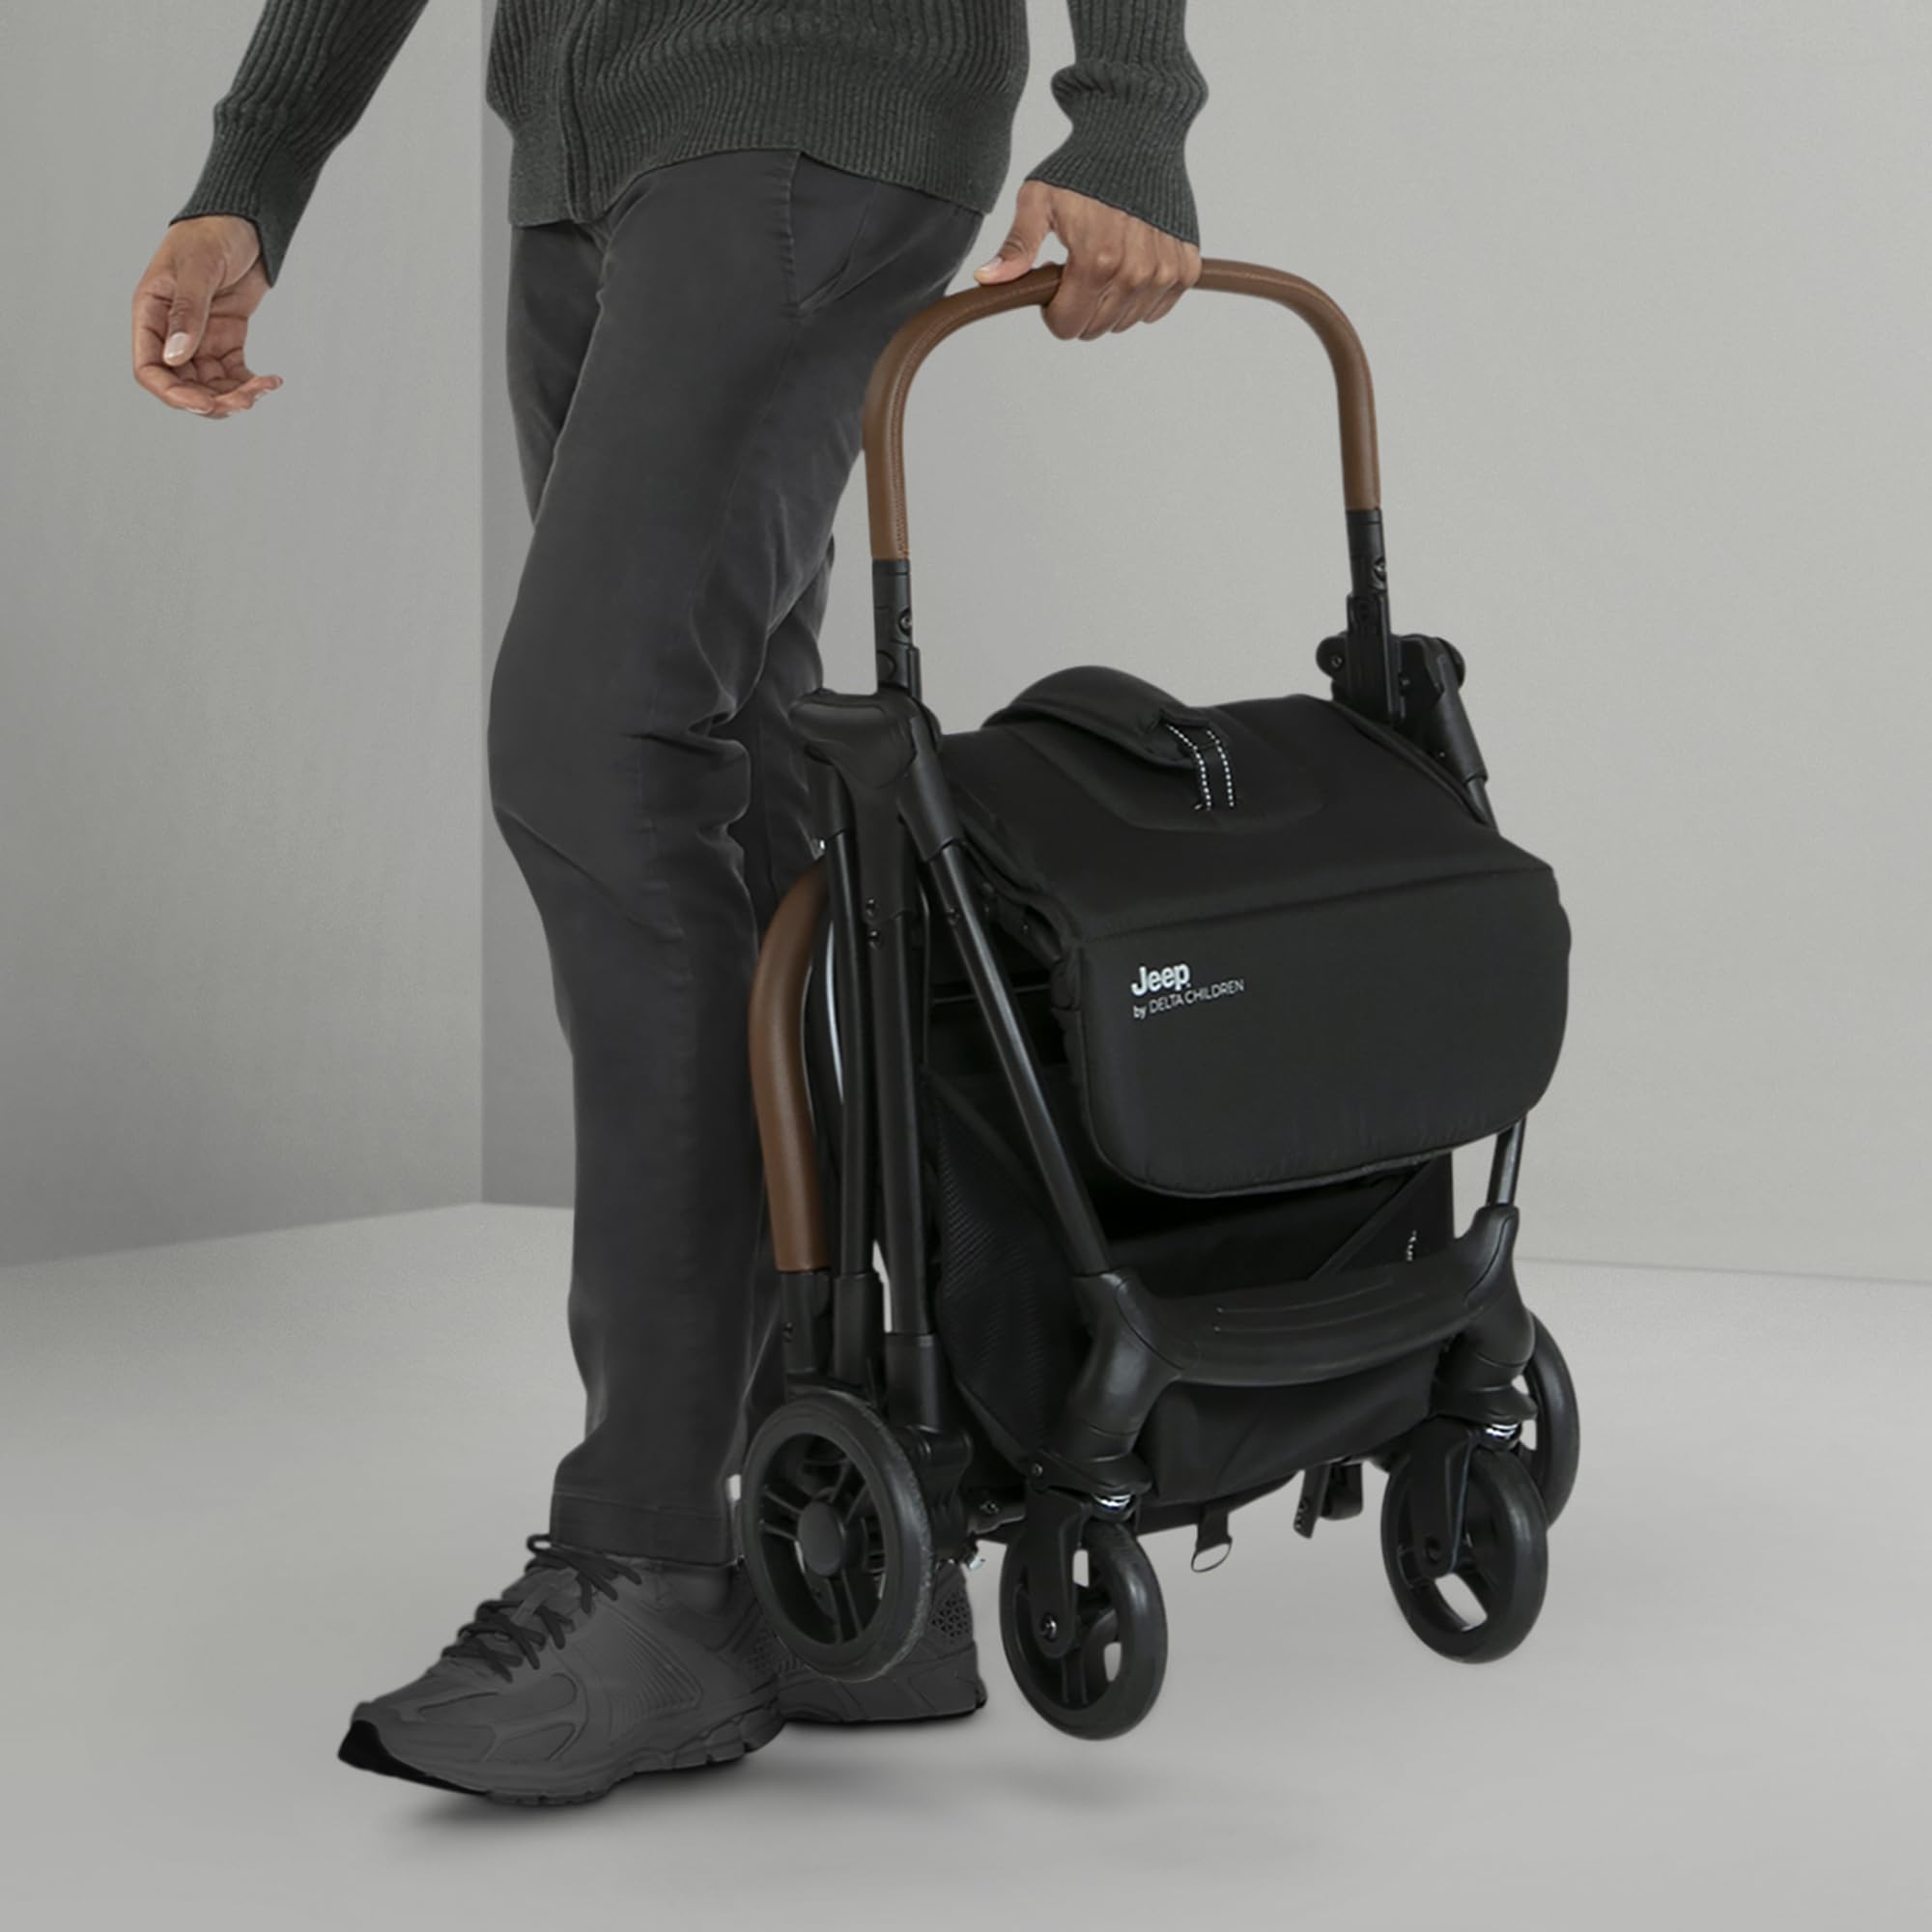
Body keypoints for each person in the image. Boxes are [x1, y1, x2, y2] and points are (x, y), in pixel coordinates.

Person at [131, 0, 1208, 1805]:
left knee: (600, 748)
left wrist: (1136, 106)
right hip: (588, 146)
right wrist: (255, 171)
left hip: (809, 102)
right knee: (739, 774)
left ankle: (654, 1557)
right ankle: (841, 1544)